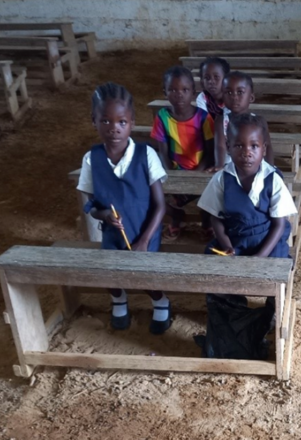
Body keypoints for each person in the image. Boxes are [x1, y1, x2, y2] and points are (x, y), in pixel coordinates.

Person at [196, 113, 297, 359]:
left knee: (278, 270)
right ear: (228, 147)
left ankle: (273, 310)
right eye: (239, 146)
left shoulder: (272, 179)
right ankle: (232, 311)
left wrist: (260, 258)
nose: (246, 152)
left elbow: (278, 224)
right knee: (216, 266)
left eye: (254, 146)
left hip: (268, 240)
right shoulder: (222, 179)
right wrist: (226, 245)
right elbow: (216, 218)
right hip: (236, 239)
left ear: (264, 149)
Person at [77, 82, 172, 333]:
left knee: (145, 273)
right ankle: (118, 299)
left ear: (132, 122)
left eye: (121, 122)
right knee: (110, 271)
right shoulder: (92, 159)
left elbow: (160, 206)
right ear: (94, 121)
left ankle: (160, 300)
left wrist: (144, 240)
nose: (114, 128)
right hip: (113, 233)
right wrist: (104, 215)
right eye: (105, 121)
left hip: (145, 230)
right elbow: (92, 206)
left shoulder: (145, 154)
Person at [150, 66, 216, 240]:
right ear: (165, 92)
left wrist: (195, 174)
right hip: (174, 168)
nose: (179, 94)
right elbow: (163, 152)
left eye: (185, 90)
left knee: (211, 195)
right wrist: (171, 176)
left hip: (201, 168)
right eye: (172, 90)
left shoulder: (203, 117)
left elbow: (210, 152)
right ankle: (176, 216)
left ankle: (206, 222)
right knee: (152, 192)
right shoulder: (162, 117)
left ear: (193, 92)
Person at [213, 71, 274, 170]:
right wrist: (219, 165)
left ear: (251, 97)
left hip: (255, 167)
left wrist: (269, 169)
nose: (234, 97)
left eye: (240, 92)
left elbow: (268, 147)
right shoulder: (221, 121)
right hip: (229, 168)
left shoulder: (259, 121)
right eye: (229, 92)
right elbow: (220, 146)